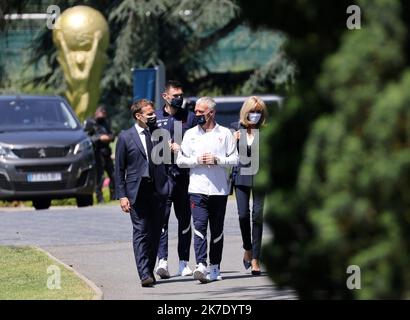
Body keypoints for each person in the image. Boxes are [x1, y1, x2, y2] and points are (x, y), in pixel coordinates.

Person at [176, 97, 238, 283]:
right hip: (197, 189)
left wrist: (217, 159)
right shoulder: (190, 134)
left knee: (217, 229)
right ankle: (200, 264)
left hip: (219, 190)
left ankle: (214, 267)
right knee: (200, 226)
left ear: (211, 112)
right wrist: (197, 160)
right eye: (195, 111)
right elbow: (180, 160)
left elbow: (235, 159)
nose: (196, 115)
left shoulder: (225, 133)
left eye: (200, 112)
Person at [114, 99, 170, 287]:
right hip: (136, 191)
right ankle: (144, 273)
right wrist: (122, 195)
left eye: (154, 113)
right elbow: (119, 169)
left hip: (158, 190)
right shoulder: (125, 137)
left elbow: (165, 162)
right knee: (141, 231)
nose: (153, 116)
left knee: (155, 232)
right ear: (138, 116)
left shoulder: (159, 134)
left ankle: (149, 268)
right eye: (149, 114)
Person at [154, 80, 197, 279]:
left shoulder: (189, 117)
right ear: (165, 96)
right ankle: (162, 261)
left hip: (184, 177)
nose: (179, 98)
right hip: (162, 177)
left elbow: (199, 145)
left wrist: (183, 150)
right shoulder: (155, 118)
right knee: (162, 219)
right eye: (175, 95)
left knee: (184, 220)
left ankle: (183, 263)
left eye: (181, 95)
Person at [230, 96, 268, 276]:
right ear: (246, 112)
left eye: (259, 112)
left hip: (260, 177)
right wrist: (233, 140)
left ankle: (255, 259)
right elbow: (226, 153)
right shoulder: (235, 129)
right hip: (241, 177)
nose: (255, 115)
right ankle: (247, 248)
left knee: (258, 216)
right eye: (252, 111)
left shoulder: (266, 131)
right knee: (243, 214)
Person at [84, 106, 115, 203]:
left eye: (104, 114)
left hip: (107, 152)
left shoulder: (106, 122)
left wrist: (109, 137)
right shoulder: (90, 123)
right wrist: (99, 138)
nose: (103, 117)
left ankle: (113, 196)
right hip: (97, 153)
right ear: (97, 113)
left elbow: (112, 134)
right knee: (100, 177)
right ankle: (99, 198)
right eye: (101, 114)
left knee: (113, 175)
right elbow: (86, 138)